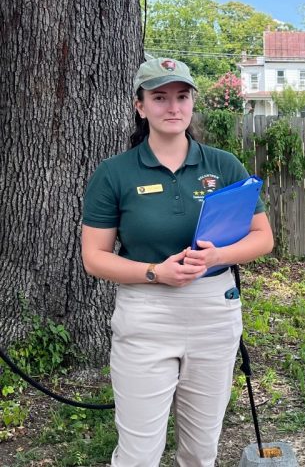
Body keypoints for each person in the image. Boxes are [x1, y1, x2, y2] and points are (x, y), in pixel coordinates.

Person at [81, 57, 273, 466]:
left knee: (202, 449)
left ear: (192, 103)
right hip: (146, 312)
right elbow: (94, 258)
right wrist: (155, 272)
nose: (173, 107)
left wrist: (218, 255)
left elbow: (263, 237)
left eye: (182, 97)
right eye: (160, 97)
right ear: (140, 106)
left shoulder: (222, 164)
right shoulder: (114, 173)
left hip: (214, 311)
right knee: (138, 453)